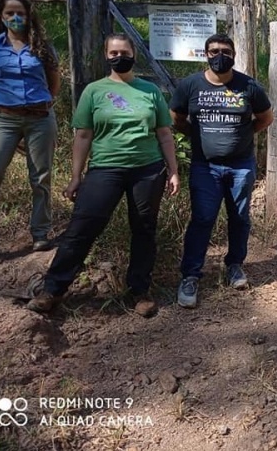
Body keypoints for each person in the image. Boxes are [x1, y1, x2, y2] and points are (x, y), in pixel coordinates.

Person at [27, 33, 180, 317]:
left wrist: (173, 170)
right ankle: (53, 290)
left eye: (124, 51)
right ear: (106, 56)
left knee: (144, 229)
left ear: (134, 53)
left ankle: (139, 291)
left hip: (147, 170)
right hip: (105, 169)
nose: (119, 57)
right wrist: (76, 176)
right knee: (82, 227)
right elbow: (83, 135)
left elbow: (164, 133)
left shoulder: (150, 91)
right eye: (113, 53)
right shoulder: (94, 91)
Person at [170, 33, 273, 308]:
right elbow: (176, 117)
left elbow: (265, 118)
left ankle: (235, 265)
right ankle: (190, 276)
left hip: (241, 165)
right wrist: (195, 135)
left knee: (239, 217)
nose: (220, 56)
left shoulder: (249, 86)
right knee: (202, 219)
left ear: (234, 54)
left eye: (225, 51)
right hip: (206, 165)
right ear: (205, 54)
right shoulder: (191, 85)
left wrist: (243, 135)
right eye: (214, 51)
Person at [0, 0, 60, 253]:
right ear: (1, 16)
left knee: (41, 177)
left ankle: (40, 233)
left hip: (40, 118)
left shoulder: (42, 47)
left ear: (28, 15)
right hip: (4, 119)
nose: (15, 18)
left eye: (20, 13)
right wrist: (4, 103)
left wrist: (42, 103)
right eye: (10, 13)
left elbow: (54, 82)